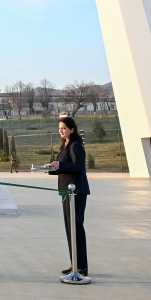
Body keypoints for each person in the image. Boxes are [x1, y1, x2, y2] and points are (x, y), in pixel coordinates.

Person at [46, 116, 90, 276]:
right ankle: (75, 264)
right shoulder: (65, 145)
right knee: (70, 229)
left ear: (72, 129)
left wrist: (61, 164)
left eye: (64, 128)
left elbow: (78, 168)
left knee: (76, 229)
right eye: (60, 128)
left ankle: (81, 266)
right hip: (67, 193)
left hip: (76, 192)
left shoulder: (75, 145)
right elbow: (66, 168)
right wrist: (51, 168)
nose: (61, 131)